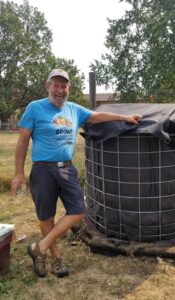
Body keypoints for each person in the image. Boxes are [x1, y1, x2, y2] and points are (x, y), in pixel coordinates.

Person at [11, 69, 142, 278]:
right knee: (46, 217)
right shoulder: (34, 108)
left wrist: (125, 117)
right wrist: (18, 173)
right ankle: (56, 259)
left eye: (64, 86)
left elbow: (97, 116)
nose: (60, 90)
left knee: (79, 210)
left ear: (68, 89)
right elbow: (22, 141)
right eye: (56, 85)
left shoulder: (73, 109)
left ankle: (40, 247)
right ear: (48, 86)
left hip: (66, 168)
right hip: (43, 169)